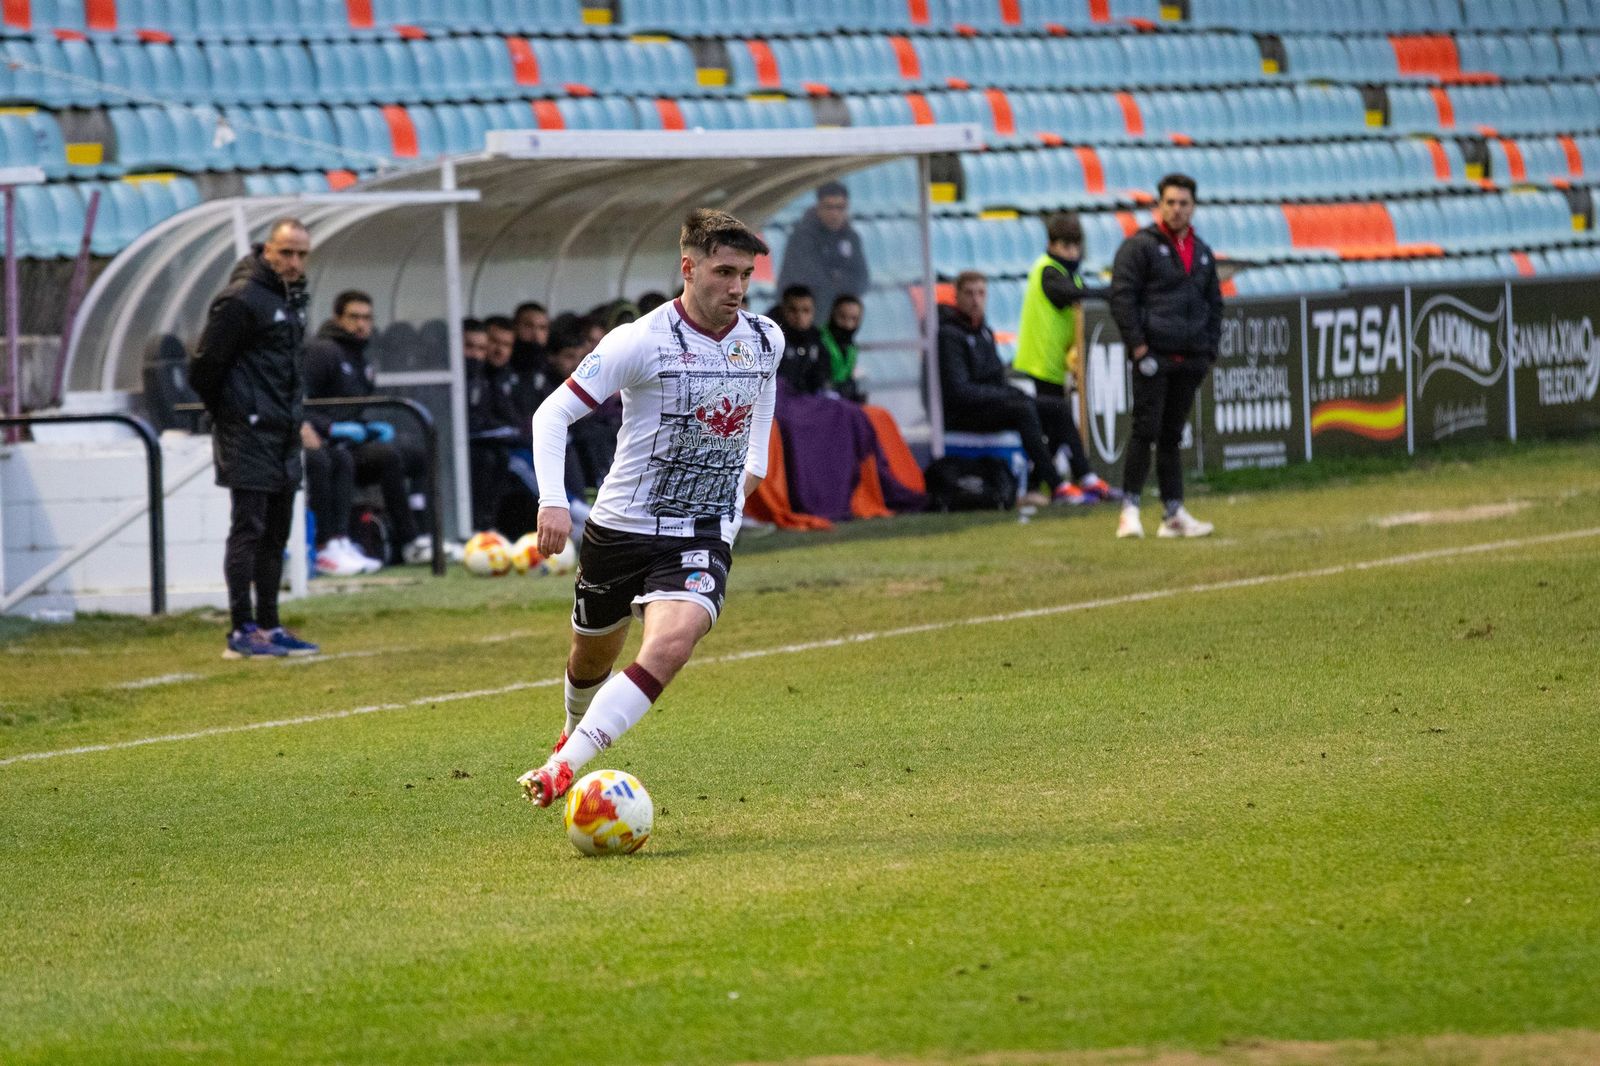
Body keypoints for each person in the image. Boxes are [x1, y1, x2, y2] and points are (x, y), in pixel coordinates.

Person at [515, 208, 784, 807]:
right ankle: (570, 736)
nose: (737, 288)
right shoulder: (640, 340)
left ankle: (564, 769)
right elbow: (551, 414)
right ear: (688, 268)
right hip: (622, 527)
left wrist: (753, 471)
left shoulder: (766, 339)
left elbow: (760, 409)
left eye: (745, 274)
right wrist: (554, 502)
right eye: (723, 272)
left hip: (701, 530)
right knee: (592, 652)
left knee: (670, 644)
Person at [189, 217, 319, 659]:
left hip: (282, 433)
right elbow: (205, 366)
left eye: (301, 254)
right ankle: (241, 628)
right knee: (249, 527)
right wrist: (234, 412)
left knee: (276, 533)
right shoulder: (242, 299)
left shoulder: (292, 300)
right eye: (286, 252)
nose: (294, 262)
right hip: (248, 432)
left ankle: (270, 624)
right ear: (267, 250)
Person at [1109, 173, 1224, 539]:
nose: (1176, 209)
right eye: (1170, 202)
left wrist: (1208, 349)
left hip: (1189, 357)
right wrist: (1138, 346)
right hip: (1154, 355)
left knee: (1173, 435)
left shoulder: (1202, 252)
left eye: (1183, 203)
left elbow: (1214, 303)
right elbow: (1121, 296)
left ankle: (1173, 513)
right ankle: (1129, 509)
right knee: (1145, 429)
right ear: (1159, 205)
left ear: (1193, 207)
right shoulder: (1139, 247)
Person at [304, 289, 435, 566]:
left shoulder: (360, 356)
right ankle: (405, 540)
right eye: (353, 317)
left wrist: (366, 426)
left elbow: (349, 406)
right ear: (337, 318)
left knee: (417, 455)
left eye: (367, 318)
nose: (361, 324)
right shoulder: (322, 351)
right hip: (326, 442)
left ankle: (423, 531)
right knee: (386, 457)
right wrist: (332, 428)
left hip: (350, 440)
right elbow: (303, 402)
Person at [938, 270, 1077, 508]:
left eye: (981, 293)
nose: (976, 300)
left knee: (1057, 407)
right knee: (1022, 409)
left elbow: (996, 379)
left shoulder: (984, 332)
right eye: (969, 293)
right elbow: (959, 391)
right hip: (963, 413)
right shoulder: (949, 335)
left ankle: (1084, 476)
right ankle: (1056, 485)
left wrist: (1010, 392)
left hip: (990, 404)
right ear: (957, 297)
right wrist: (1007, 394)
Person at [1012, 212, 1118, 505]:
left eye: (1075, 246)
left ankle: (1041, 485)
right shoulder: (1048, 271)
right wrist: (1107, 292)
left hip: (1054, 364)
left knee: (1054, 429)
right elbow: (1068, 294)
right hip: (1040, 363)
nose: (1071, 252)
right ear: (1051, 245)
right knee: (1056, 424)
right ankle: (1066, 480)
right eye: (1065, 246)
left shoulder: (1065, 272)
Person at [776, 181, 870, 324]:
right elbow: (811, 280)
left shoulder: (851, 238)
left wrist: (835, 279)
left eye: (840, 208)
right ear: (818, 207)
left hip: (838, 322)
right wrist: (839, 278)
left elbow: (862, 280)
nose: (834, 213)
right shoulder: (802, 237)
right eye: (829, 207)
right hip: (805, 322)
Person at [774, 284, 829, 395]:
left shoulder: (819, 342)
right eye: (793, 310)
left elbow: (824, 380)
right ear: (783, 310)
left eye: (806, 310)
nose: (799, 316)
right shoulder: (771, 340)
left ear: (813, 313)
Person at [820, 293, 867, 402]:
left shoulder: (851, 347)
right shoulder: (818, 340)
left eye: (854, 319)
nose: (848, 324)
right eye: (842, 317)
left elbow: (848, 377)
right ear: (832, 315)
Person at [511, 300, 550, 375]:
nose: (536, 334)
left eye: (542, 328)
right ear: (515, 327)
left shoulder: (552, 371)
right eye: (529, 326)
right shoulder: (502, 365)